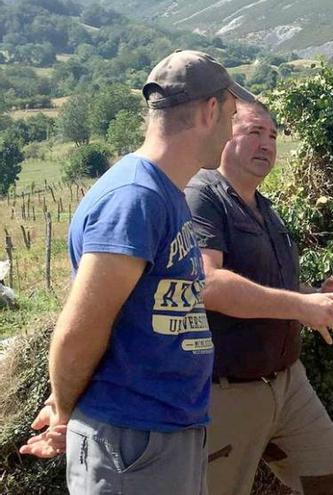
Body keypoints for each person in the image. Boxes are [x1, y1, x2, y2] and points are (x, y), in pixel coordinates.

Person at [19, 50, 255, 494]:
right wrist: (66, 411)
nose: (232, 129)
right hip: (133, 445)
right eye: (231, 114)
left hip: (161, 436)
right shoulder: (135, 198)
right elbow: (80, 326)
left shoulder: (164, 194)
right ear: (209, 111)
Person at [184, 100, 333, 495]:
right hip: (228, 390)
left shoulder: (264, 207)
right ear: (224, 137)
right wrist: (301, 307)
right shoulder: (202, 198)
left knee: (330, 471)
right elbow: (206, 284)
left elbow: (268, 287)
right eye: (254, 133)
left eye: (273, 136)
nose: (266, 144)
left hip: (287, 382)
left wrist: (316, 296)